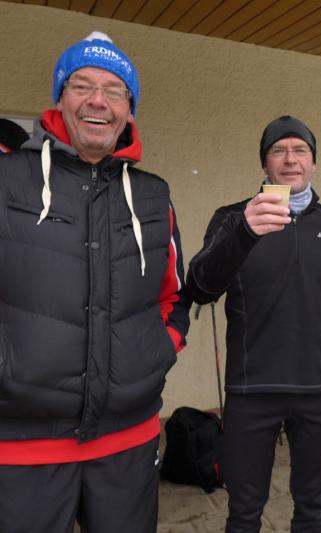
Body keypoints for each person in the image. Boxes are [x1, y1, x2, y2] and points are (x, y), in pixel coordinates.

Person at [0, 32, 190, 533]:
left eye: (114, 90)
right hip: (21, 445)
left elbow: (174, 295)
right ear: (60, 98)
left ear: (130, 109)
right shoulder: (6, 179)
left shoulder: (153, 195)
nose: (98, 101)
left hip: (129, 439)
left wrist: (158, 351)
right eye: (82, 85)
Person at [187, 115, 321, 533]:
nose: (290, 159)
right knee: (244, 512)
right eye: (278, 150)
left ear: (313, 162)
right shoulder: (232, 218)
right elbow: (199, 288)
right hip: (252, 391)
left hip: (319, 391)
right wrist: (243, 233)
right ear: (264, 163)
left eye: (300, 150)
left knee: (312, 510)